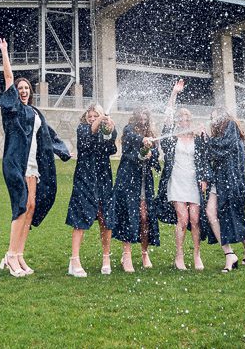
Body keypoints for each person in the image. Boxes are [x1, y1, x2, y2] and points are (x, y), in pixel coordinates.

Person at [0, 37, 71, 277]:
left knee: (31, 206)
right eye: (20, 88)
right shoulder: (12, 109)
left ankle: (19, 254)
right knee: (20, 207)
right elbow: (8, 79)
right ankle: (10, 255)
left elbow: (48, 135)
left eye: (27, 88)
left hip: (34, 165)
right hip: (16, 162)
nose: (24, 91)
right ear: (15, 92)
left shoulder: (35, 112)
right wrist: (5, 52)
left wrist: (63, 150)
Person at [155, 79, 208, 270]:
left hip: (193, 182)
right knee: (183, 219)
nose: (184, 122)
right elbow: (167, 116)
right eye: (181, 119)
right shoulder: (170, 138)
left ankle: (196, 254)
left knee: (195, 219)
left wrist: (204, 178)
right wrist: (174, 93)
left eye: (187, 119)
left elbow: (204, 159)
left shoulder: (198, 138)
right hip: (176, 181)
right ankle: (179, 255)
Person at [66, 104, 117, 277]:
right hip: (85, 177)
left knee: (105, 218)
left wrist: (110, 131)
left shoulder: (104, 130)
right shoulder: (82, 129)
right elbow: (89, 135)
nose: (93, 118)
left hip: (103, 177)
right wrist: (102, 119)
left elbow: (111, 148)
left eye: (97, 115)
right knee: (80, 218)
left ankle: (106, 257)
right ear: (86, 117)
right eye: (91, 115)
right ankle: (74, 260)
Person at [203, 107, 245, 272]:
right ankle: (230, 254)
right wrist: (206, 139)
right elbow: (213, 154)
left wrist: (207, 140)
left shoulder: (231, 125)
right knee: (211, 213)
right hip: (218, 180)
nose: (213, 121)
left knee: (231, 216)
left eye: (215, 117)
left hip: (231, 181)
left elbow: (223, 147)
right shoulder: (219, 134)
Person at [111, 107, 161, 272]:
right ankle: (127, 255)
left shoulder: (152, 134)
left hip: (145, 182)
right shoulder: (129, 130)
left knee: (144, 217)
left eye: (145, 117)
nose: (143, 120)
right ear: (136, 117)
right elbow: (130, 146)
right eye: (140, 117)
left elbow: (155, 155)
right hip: (128, 180)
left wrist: (150, 155)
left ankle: (144, 252)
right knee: (129, 215)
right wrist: (142, 146)